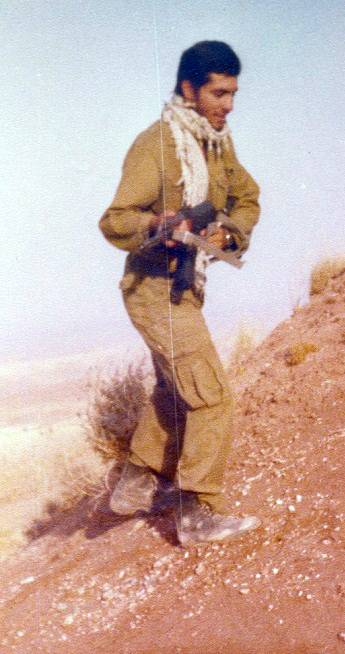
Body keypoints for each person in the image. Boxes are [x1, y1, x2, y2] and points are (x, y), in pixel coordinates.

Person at [100, 41, 261, 545]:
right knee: (211, 395)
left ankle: (136, 484)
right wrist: (158, 225)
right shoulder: (157, 144)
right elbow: (115, 220)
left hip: (185, 287)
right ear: (189, 89)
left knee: (175, 389)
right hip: (153, 288)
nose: (229, 105)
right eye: (219, 93)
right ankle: (197, 511)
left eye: (233, 94)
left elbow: (247, 197)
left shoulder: (217, 144)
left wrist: (227, 232)